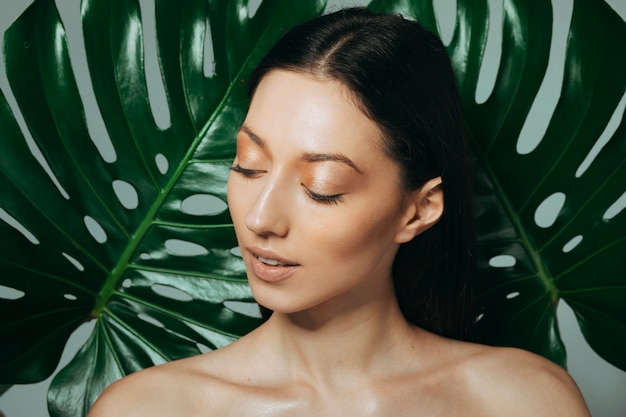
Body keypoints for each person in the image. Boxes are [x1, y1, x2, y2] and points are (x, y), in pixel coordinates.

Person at [88, 7, 590, 416]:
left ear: (418, 210)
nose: (261, 219)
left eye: (321, 188)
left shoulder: (524, 402)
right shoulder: (148, 409)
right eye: (248, 166)